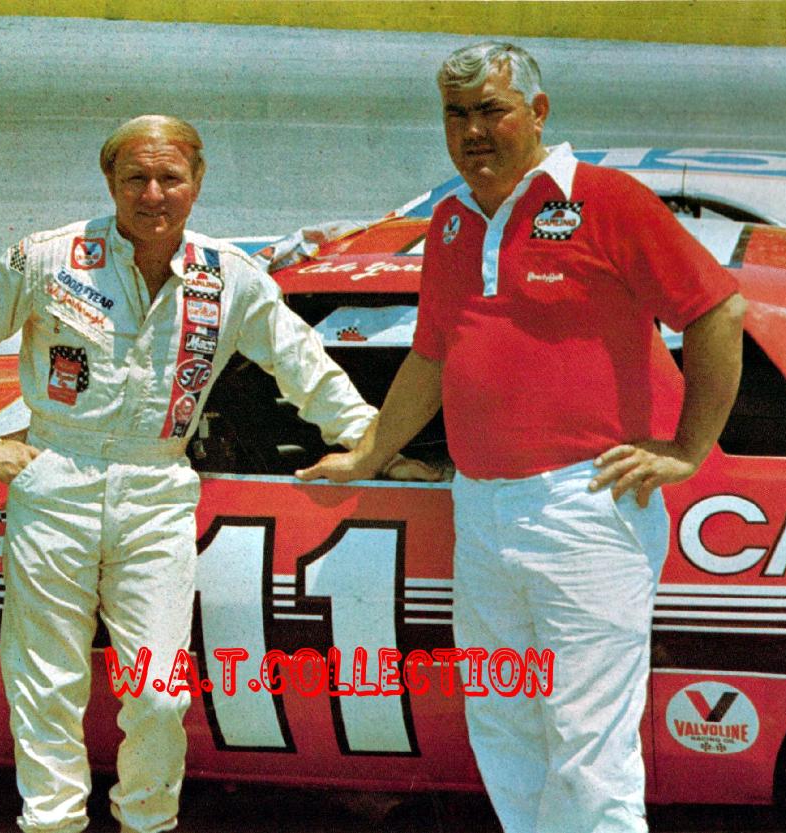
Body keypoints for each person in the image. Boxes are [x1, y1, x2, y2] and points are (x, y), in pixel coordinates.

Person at [298, 42, 747, 833]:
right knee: (504, 725)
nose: (473, 131)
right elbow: (431, 355)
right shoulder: (450, 221)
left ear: (537, 113)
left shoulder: (606, 199)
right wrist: (370, 453)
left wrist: (687, 448)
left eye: (492, 111)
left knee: (588, 746)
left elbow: (717, 310)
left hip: (586, 504)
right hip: (481, 508)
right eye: (456, 115)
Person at [0, 114, 381, 833]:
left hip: (158, 487)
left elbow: (303, 366)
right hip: (55, 476)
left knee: (160, 692)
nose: (153, 194)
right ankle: (52, 824)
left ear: (197, 182)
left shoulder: (229, 276)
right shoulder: (48, 257)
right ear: (110, 181)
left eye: (170, 177)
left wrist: (371, 442)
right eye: (136, 177)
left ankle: (146, 822)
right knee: (45, 684)